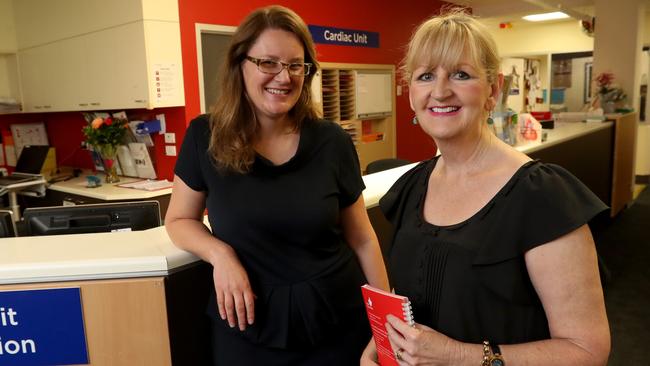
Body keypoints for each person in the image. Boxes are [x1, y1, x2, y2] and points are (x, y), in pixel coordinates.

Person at [361, 9, 610, 366]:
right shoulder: (412, 186)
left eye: (461, 74)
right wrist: (377, 348)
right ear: (411, 93)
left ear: (493, 90)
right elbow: (409, 299)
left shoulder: (541, 196)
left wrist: (456, 355)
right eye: (426, 76)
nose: (440, 91)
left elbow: (587, 350)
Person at [165, 5, 389, 365]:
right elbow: (178, 220)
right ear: (241, 64)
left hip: (337, 321)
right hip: (248, 326)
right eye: (268, 62)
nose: (283, 77)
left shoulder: (332, 141)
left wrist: (384, 320)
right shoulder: (204, 136)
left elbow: (361, 237)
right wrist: (220, 255)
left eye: (295, 65)